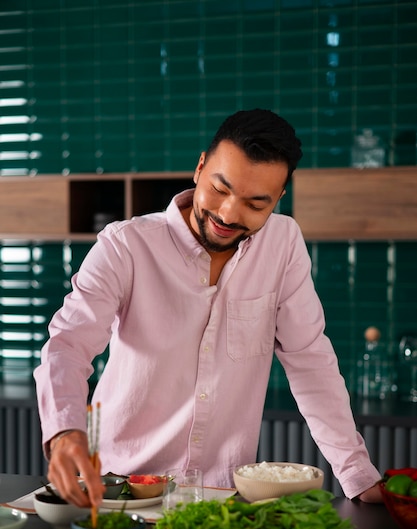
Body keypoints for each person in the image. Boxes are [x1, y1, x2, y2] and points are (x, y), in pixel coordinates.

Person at [34, 109, 382, 508]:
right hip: (123, 491)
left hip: (224, 497)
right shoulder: (125, 246)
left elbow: (310, 360)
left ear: (278, 199)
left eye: (256, 203)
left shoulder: (283, 244)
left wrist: (357, 475)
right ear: (200, 167)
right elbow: (68, 344)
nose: (229, 214)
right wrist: (64, 432)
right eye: (220, 189)